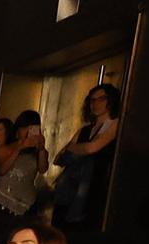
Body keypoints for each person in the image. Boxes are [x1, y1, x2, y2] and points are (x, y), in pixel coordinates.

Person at [50, 83, 120, 229]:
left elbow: (91, 148)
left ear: (110, 101)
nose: (95, 104)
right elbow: (59, 157)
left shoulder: (115, 124)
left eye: (101, 99)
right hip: (71, 186)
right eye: (92, 100)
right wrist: (74, 149)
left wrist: (74, 149)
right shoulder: (85, 129)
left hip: (94, 190)